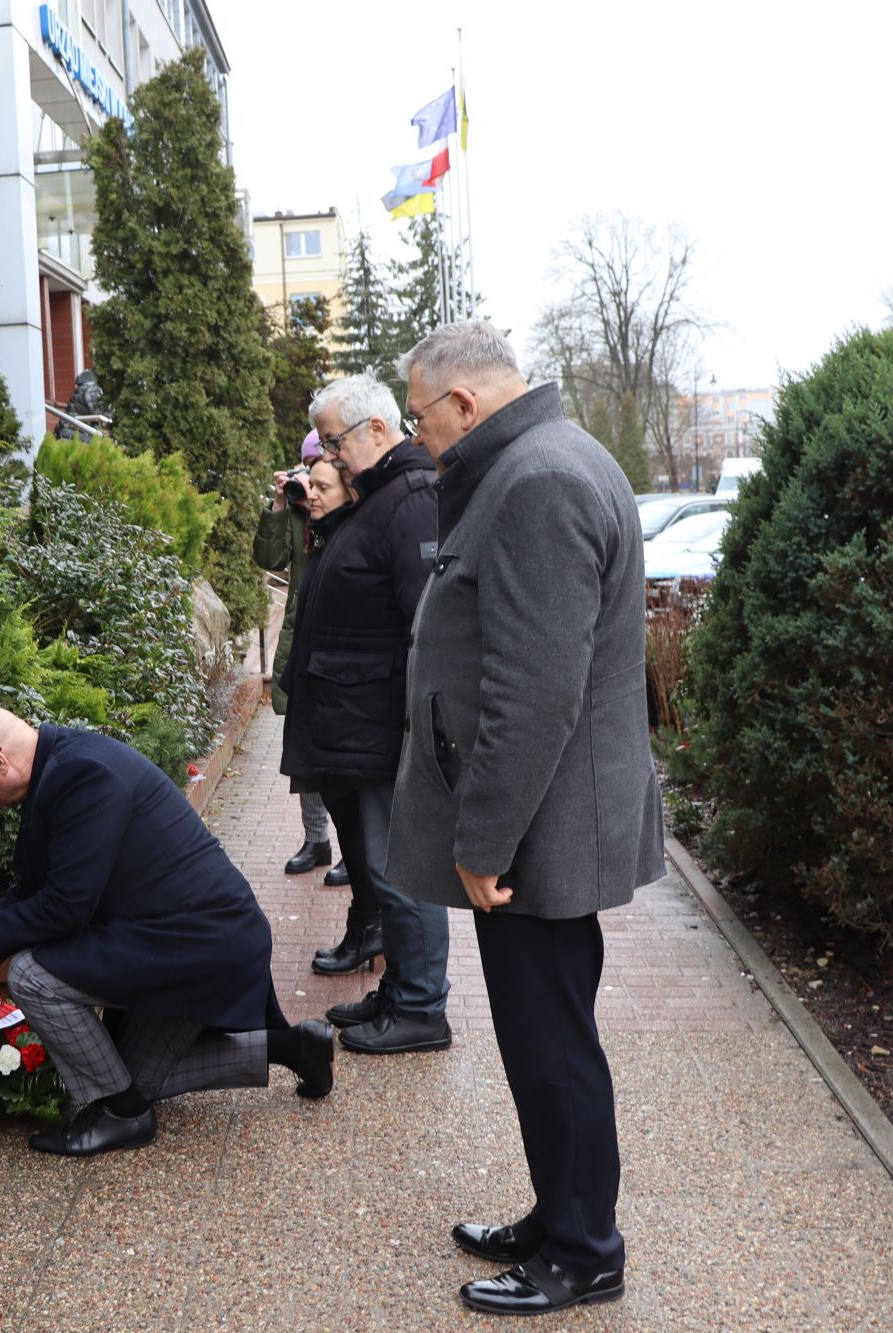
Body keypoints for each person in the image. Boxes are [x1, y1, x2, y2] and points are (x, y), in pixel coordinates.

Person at [386, 321, 664, 1316]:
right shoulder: (546, 458)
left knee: (551, 1044)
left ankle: (585, 1251)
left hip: (537, 832)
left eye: (418, 416)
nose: (416, 438)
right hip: (547, 821)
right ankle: (560, 1214)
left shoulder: (536, 480)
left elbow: (533, 693)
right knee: (545, 1034)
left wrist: (483, 840)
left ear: (463, 402)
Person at [0, 704, 335, 1157]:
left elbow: (64, 909)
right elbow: (34, 886)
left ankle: (122, 1115)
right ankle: (295, 1047)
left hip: (202, 952)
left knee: (30, 976)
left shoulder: (80, 775)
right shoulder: (61, 765)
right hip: (176, 942)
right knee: (128, 1077)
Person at [280, 374, 451, 1051]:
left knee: (403, 872)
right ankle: (402, 989)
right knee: (384, 869)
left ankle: (421, 1008)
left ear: (377, 430)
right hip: (362, 722)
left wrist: (415, 732)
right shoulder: (381, 496)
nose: (328, 455)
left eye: (334, 441)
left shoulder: (410, 499)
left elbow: (427, 626)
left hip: (385, 727)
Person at [252, 430, 346, 887]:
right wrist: (278, 504)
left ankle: (353, 849)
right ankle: (316, 840)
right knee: (304, 747)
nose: (311, 481)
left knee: (341, 753)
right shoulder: (293, 508)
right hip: (299, 636)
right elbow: (268, 559)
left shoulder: (346, 506)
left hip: (338, 636)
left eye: (319, 470)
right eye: (306, 469)